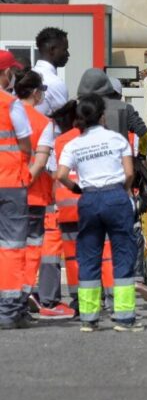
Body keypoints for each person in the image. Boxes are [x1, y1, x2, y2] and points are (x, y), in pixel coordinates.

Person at [54, 94, 140, 332]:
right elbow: (130, 173)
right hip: (115, 197)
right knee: (122, 254)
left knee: (89, 256)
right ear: (102, 115)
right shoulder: (117, 139)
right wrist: (121, 191)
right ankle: (124, 317)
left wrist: (78, 189)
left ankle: (88, 318)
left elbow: (60, 175)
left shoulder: (74, 144)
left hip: (89, 199)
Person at [14, 71, 66, 318]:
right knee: (32, 249)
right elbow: (49, 164)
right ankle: (23, 297)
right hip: (34, 195)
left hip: (6, 193)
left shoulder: (6, 116)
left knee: (9, 250)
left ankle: (9, 297)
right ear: (35, 93)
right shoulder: (44, 123)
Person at [0, 57, 36, 329]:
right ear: (8, 73)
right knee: (12, 247)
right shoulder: (10, 104)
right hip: (10, 183)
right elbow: (25, 145)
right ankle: (11, 309)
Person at [31, 27, 70, 116]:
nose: (68, 54)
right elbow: (64, 121)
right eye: (65, 49)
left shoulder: (27, 76)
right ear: (52, 50)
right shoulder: (55, 83)